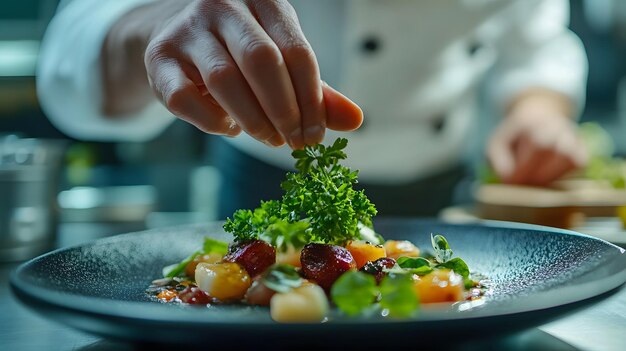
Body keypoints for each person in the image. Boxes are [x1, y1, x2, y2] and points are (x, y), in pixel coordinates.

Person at [37, 0, 589, 219]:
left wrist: (539, 112)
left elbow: (534, 43)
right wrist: (154, 25)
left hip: (444, 202)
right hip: (264, 194)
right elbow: (71, 46)